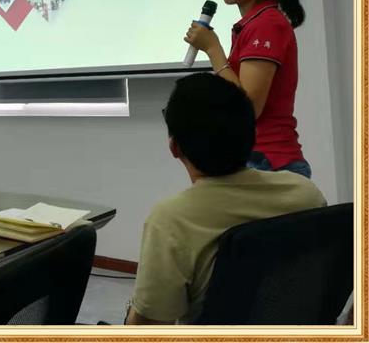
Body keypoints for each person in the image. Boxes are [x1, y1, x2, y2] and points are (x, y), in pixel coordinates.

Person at [125, 73, 326, 325]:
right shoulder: (305, 193)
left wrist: (132, 310)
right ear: (253, 136)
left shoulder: (172, 219)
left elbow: (149, 327)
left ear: (175, 148)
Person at [184, 0, 311, 177]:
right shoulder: (254, 22)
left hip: (269, 160)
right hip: (253, 155)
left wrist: (213, 49)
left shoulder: (266, 23)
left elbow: (249, 108)